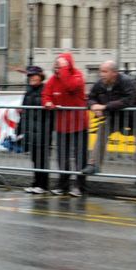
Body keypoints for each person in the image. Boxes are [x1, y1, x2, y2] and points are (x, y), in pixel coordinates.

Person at [82, 60, 136, 186]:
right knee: (101, 133)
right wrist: (94, 105)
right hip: (116, 117)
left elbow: (127, 100)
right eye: (101, 71)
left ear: (114, 73)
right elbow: (90, 97)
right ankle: (93, 165)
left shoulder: (127, 81)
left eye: (105, 71)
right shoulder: (100, 84)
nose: (101, 74)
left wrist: (104, 107)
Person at [42, 53, 88, 197]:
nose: (57, 67)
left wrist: (63, 70)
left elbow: (71, 86)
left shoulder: (77, 75)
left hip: (79, 124)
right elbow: (46, 94)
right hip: (62, 125)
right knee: (62, 156)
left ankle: (80, 187)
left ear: (68, 65)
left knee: (80, 157)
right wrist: (47, 102)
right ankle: (63, 185)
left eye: (61, 64)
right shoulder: (53, 80)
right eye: (57, 64)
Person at [18, 66, 53, 194]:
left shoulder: (45, 90)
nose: (32, 78)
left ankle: (43, 185)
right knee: (34, 158)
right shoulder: (28, 92)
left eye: (34, 76)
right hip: (31, 130)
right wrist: (20, 130)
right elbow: (23, 112)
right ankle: (36, 183)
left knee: (42, 158)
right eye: (30, 76)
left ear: (40, 77)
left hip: (43, 130)